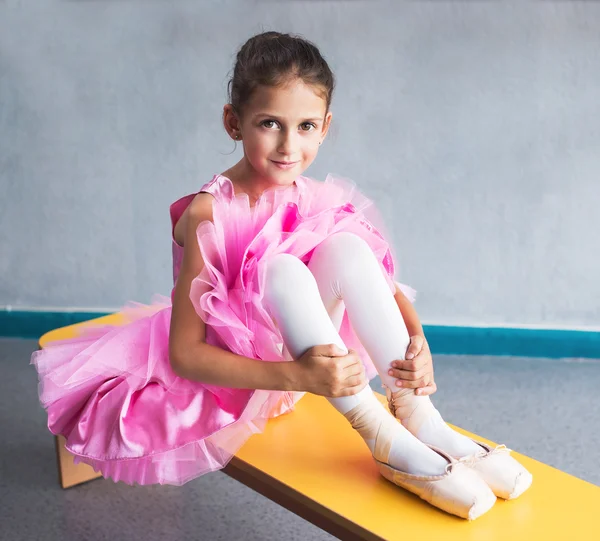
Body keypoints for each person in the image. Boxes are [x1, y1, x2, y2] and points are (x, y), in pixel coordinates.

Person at [32, 31, 531, 520]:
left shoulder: (308, 193)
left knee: (349, 247)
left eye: (307, 126)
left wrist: (417, 339)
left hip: (308, 364)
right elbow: (185, 356)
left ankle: (419, 414)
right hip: (250, 379)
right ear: (234, 122)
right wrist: (298, 375)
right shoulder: (210, 213)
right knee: (281, 266)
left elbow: (379, 282)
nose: (289, 146)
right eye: (270, 123)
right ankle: (382, 438)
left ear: (326, 126)